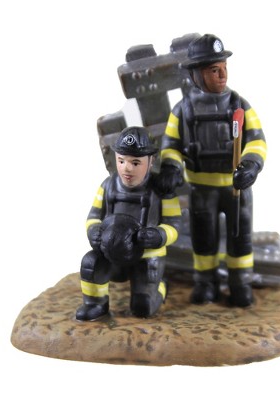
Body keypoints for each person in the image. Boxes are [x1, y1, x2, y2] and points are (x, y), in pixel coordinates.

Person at [158, 34, 267, 307]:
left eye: (224, 68)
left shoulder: (240, 105)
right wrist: (171, 167)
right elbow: (170, 145)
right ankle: (206, 283)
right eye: (214, 70)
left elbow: (257, 140)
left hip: (236, 190)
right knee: (203, 240)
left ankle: (240, 284)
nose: (222, 75)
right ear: (196, 74)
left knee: (240, 240)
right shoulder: (182, 110)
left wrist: (251, 165)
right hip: (201, 190)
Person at [76, 126, 182, 320]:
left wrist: (158, 235)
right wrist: (94, 231)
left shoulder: (162, 191)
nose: (127, 168)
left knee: (142, 308)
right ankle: (95, 304)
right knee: (91, 262)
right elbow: (93, 216)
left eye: (135, 162)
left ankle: (160, 287)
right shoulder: (107, 186)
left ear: (151, 161)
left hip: (146, 257)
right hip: (111, 252)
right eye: (121, 160)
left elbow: (174, 225)